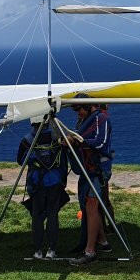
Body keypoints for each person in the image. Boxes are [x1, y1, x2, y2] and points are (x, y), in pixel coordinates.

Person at [66, 97, 115, 266]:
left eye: (79, 109)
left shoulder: (102, 119)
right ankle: (102, 242)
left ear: (88, 106)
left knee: (92, 206)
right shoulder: (84, 121)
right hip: (88, 169)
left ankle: (90, 252)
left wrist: (79, 142)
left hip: (98, 170)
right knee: (88, 206)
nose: (78, 113)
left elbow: (101, 143)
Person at [17, 124, 68, 260]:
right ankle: (51, 250)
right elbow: (64, 159)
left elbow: (19, 160)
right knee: (52, 214)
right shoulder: (56, 138)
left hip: (36, 182)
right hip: (54, 180)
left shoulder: (27, 139)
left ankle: (38, 251)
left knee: (37, 215)